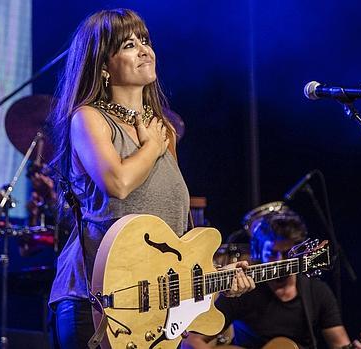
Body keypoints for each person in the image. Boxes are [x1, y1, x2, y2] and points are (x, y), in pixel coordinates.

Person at [46, 9, 254, 348]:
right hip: (95, 302)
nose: (145, 50)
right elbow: (118, 183)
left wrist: (217, 281)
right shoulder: (88, 118)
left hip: (150, 315)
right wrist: (151, 147)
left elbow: (176, 241)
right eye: (129, 44)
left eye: (145, 41)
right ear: (103, 66)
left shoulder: (164, 131)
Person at [183, 210, 361, 349]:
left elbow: (340, 344)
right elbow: (191, 342)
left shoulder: (317, 292)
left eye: (285, 254)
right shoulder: (242, 287)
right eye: (272, 253)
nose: (279, 261)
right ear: (258, 252)